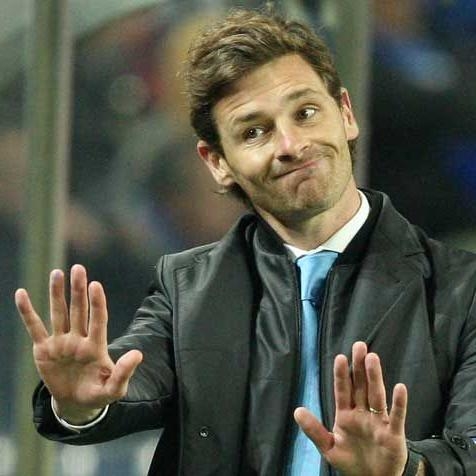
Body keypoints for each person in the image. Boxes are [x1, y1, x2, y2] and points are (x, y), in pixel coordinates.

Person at [15, 8, 476, 476]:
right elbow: (129, 381)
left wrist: (408, 468)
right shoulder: (188, 287)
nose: (291, 145)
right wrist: (82, 401)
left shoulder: (462, 290)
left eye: (306, 113)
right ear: (217, 163)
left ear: (346, 114)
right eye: (254, 132)